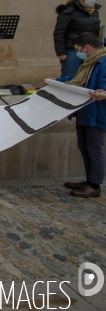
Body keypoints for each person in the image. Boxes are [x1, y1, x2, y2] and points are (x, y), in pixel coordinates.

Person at [59, 33, 106, 198]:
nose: (78, 52)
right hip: (84, 111)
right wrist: (57, 81)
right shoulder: (87, 64)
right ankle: (89, 180)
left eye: (79, 49)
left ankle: (94, 185)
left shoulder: (103, 63)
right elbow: (75, 80)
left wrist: (104, 93)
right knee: (84, 148)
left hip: (97, 112)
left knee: (94, 149)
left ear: (87, 47)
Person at [54, 0, 101, 78]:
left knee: (86, 77)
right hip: (72, 50)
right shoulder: (68, 11)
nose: (93, 0)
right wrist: (60, 52)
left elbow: (95, 30)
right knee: (70, 77)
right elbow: (59, 32)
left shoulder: (94, 12)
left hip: (89, 50)